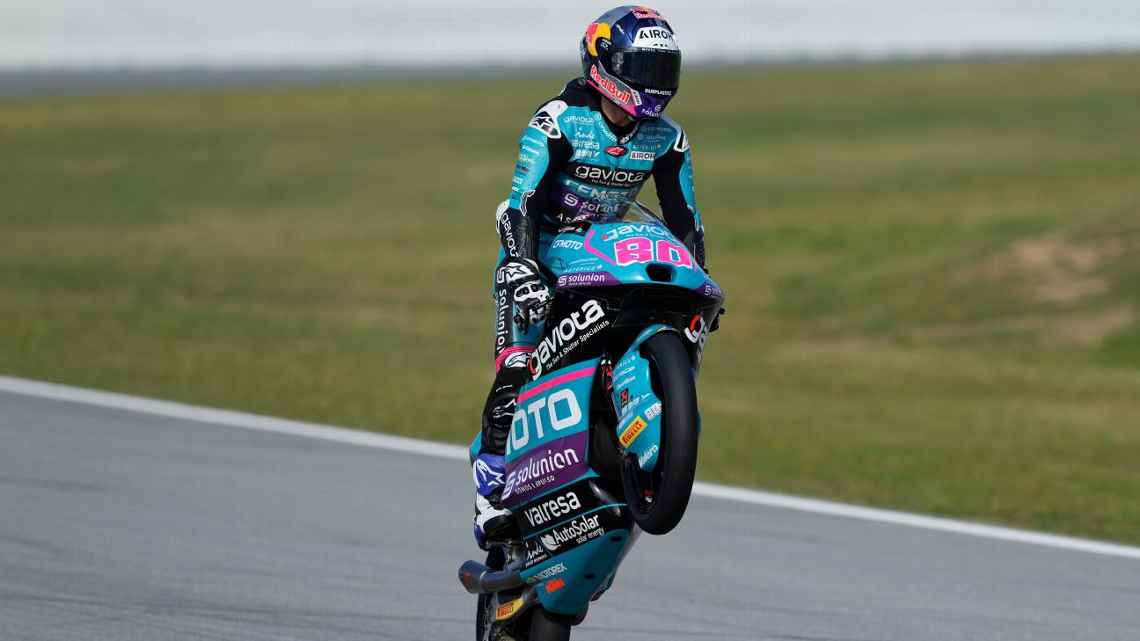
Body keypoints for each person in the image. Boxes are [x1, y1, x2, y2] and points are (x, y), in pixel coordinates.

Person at [471, 5, 706, 548]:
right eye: (642, 68)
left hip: (602, 252)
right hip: (539, 253)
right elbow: (521, 204)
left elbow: (685, 222)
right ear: (603, 65)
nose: (654, 82)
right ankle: (490, 493)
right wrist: (522, 267)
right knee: (517, 366)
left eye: (662, 69)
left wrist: (698, 285)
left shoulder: (667, 139)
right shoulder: (558, 120)